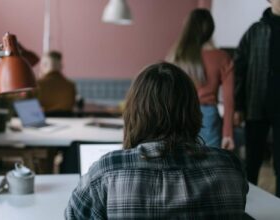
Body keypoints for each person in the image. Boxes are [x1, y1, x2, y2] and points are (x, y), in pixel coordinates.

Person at [65, 62, 248, 219]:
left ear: (134, 113)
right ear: (193, 110)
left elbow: (72, 216)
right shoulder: (230, 167)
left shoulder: (107, 171)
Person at [167, 9, 234, 150]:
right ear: (211, 29)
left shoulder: (176, 56)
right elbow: (229, 100)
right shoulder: (222, 57)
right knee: (210, 166)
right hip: (208, 118)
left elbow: (168, 96)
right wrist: (228, 134)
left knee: (182, 164)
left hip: (180, 116)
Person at [234, 0, 280, 196]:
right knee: (251, 162)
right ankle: (246, 205)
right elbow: (239, 69)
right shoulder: (255, 30)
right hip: (256, 104)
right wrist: (238, 105)